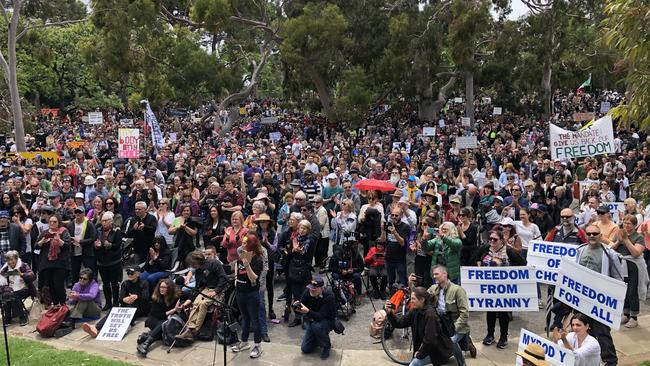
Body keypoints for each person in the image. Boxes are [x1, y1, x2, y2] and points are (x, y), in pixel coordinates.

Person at [574, 225, 624, 366]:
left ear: (600, 235)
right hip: (582, 300)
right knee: (581, 331)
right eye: (588, 233)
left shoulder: (609, 254)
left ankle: (610, 361)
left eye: (595, 233)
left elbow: (618, 279)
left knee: (602, 332)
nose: (591, 236)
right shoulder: (580, 250)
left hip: (600, 302)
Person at [410, 264, 476, 365]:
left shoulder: (458, 290)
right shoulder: (433, 288)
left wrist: (455, 328)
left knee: (451, 341)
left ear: (445, 274)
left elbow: (465, 313)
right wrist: (412, 284)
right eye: (433, 274)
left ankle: (462, 363)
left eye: (437, 274)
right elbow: (420, 297)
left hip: (456, 326)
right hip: (442, 325)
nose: (434, 276)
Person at [475, 228, 526, 349]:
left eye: (495, 239)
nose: (492, 241)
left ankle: (504, 337)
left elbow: (523, 263)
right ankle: (490, 335)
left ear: (502, 240)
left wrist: (505, 267)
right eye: (490, 239)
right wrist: (479, 266)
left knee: (503, 313)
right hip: (488, 286)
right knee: (490, 311)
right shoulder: (485, 248)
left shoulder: (508, 250)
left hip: (504, 287)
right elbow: (476, 257)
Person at [384, 286, 454, 366]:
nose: (411, 301)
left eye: (413, 299)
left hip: (437, 350)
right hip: (428, 348)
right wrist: (390, 313)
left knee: (414, 364)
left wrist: (420, 354)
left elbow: (430, 340)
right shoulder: (415, 311)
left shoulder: (430, 315)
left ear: (422, 300)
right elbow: (400, 323)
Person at [82, 266, 151, 338]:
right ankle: (96, 327)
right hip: (127, 305)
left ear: (138, 274)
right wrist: (125, 299)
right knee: (114, 310)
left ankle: (124, 327)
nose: (129, 275)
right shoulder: (125, 283)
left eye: (132, 273)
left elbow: (146, 297)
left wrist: (136, 297)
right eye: (128, 273)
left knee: (131, 309)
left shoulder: (144, 283)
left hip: (139, 306)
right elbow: (120, 298)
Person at [174, 250, 228, 343]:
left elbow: (223, 278)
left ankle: (194, 331)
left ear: (198, 261)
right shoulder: (198, 271)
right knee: (196, 303)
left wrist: (216, 291)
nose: (192, 266)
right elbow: (198, 287)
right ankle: (189, 329)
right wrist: (186, 303)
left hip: (218, 288)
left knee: (203, 304)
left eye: (193, 264)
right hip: (206, 289)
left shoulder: (213, 263)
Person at [610, 215, 647, 328]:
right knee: (623, 290)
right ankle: (625, 313)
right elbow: (611, 249)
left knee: (632, 290)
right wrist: (618, 241)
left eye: (629, 223)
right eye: (624, 223)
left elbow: (636, 253)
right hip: (621, 265)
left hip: (633, 266)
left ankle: (634, 316)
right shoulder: (619, 233)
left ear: (635, 226)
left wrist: (626, 240)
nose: (626, 225)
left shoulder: (638, 237)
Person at [230, 233, 264, 358]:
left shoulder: (257, 260)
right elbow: (236, 269)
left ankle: (258, 345)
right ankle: (244, 342)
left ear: (251, 245)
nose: (242, 245)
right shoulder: (241, 256)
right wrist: (236, 280)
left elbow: (254, 279)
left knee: (255, 320)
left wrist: (247, 265)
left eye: (245, 243)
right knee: (245, 318)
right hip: (240, 292)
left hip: (251, 293)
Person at [137, 278, 181, 357]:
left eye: (164, 287)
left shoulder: (175, 296)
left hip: (166, 322)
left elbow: (191, 296)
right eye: (160, 287)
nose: (162, 289)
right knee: (163, 324)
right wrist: (174, 309)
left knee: (164, 328)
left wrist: (184, 304)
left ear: (170, 289)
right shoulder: (156, 297)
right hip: (153, 320)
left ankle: (146, 336)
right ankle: (146, 344)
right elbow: (159, 315)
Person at [296, 275, 337, 360]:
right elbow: (301, 303)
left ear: (321, 288)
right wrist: (296, 306)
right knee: (305, 349)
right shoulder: (308, 291)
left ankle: (326, 346)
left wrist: (307, 312)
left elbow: (321, 316)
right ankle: (317, 339)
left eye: (314, 289)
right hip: (312, 319)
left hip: (327, 320)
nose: (312, 290)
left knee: (317, 326)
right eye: (311, 287)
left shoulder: (329, 296)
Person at [36, 214, 71, 306]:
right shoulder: (44, 232)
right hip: (47, 263)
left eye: (54, 222)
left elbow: (67, 245)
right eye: (50, 221)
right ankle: (55, 304)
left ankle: (63, 304)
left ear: (58, 222)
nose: (52, 223)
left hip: (60, 263)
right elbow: (36, 246)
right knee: (51, 285)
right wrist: (42, 241)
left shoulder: (63, 231)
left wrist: (59, 240)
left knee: (58, 285)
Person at [286, 219, 313, 327]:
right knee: (296, 294)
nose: (302, 230)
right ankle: (297, 317)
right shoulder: (294, 239)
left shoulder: (309, 240)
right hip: (294, 269)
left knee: (305, 294)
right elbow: (289, 254)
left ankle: (305, 317)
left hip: (304, 269)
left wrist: (299, 250)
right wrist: (293, 250)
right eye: (301, 228)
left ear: (308, 230)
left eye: (304, 228)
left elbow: (306, 254)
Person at [95, 211, 123, 310]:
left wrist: (110, 245)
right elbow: (95, 242)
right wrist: (96, 245)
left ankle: (115, 301)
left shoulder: (116, 231)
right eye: (102, 220)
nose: (104, 223)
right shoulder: (98, 230)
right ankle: (108, 302)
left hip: (114, 260)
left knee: (114, 283)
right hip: (102, 261)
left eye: (106, 221)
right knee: (105, 283)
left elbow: (118, 245)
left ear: (111, 221)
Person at [0, 250, 35, 326]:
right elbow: (2, 282)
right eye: (8, 260)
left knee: (14, 295)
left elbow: (32, 276)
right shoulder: (5, 268)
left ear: (16, 259)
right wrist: (7, 289)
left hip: (25, 289)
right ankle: (8, 318)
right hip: (12, 290)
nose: (10, 262)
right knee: (5, 295)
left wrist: (22, 274)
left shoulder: (23, 265)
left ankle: (22, 317)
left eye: (12, 259)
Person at [381, 207, 411, 289]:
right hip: (389, 258)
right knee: (390, 281)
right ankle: (391, 298)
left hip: (400, 259)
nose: (394, 217)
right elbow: (383, 240)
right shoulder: (389, 225)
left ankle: (401, 300)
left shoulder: (406, 227)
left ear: (401, 215)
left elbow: (402, 243)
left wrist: (394, 232)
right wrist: (383, 230)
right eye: (392, 215)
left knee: (402, 281)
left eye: (396, 215)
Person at [67, 206, 98, 283]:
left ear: (84, 213)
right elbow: (67, 236)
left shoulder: (89, 224)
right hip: (75, 252)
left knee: (90, 273)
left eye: (80, 212)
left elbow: (93, 238)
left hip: (87, 252)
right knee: (75, 273)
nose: (78, 214)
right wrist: (71, 241)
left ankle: (93, 290)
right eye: (76, 212)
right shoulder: (71, 224)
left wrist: (80, 241)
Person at [328, 240, 364, 304]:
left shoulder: (356, 255)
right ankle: (339, 294)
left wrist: (353, 270)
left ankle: (358, 294)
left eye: (349, 252)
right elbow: (330, 268)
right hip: (340, 274)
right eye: (345, 252)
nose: (347, 253)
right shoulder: (336, 254)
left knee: (357, 276)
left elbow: (362, 267)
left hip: (351, 273)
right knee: (335, 275)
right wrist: (340, 271)